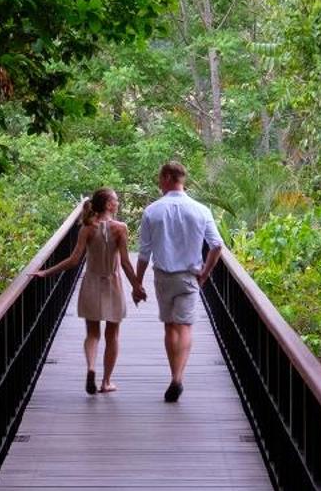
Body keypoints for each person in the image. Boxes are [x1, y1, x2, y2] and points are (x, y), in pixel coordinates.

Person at [132, 160, 224, 402]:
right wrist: (205, 272)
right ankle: (178, 377)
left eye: (160, 179)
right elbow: (217, 245)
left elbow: (144, 253)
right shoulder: (201, 210)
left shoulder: (152, 211)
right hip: (189, 276)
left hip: (163, 276)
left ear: (167, 178)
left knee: (170, 326)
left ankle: (174, 375)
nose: (159, 183)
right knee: (185, 326)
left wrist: (137, 283)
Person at [34, 188, 141, 394]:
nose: (118, 204)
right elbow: (126, 263)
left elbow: (74, 260)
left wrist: (47, 272)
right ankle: (106, 381)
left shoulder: (87, 228)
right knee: (113, 335)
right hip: (113, 283)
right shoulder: (120, 228)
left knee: (92, 334)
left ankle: (91, 367)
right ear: (109, 204)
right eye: (116, 201)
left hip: (91, 282)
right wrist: (137, 285)